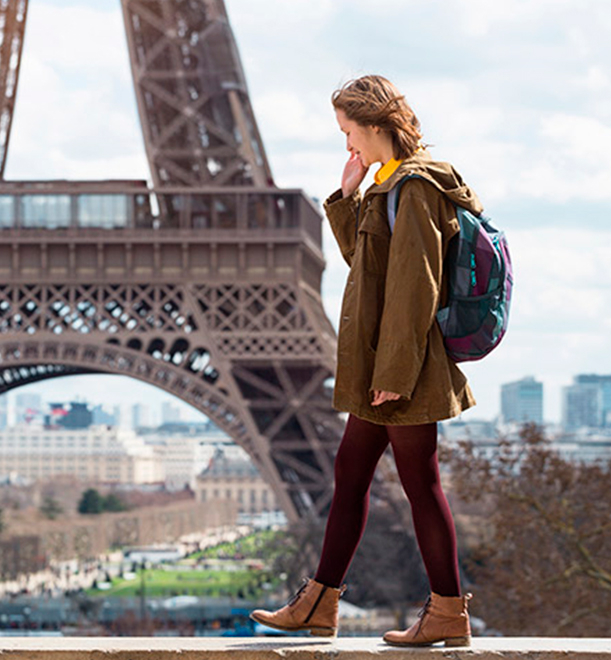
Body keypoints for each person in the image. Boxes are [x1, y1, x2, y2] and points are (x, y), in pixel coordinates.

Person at [249, 75, 480, 646]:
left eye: (349, 132)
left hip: (401, 368)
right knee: (352, 476)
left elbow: (413, 288)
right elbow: (366, 263)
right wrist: (347, 194)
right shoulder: (389, 185)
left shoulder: (418, 188)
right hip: (383, 362)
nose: (346, 143)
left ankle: (447, 611)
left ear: (375, 126)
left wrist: (394, 376)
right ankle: (320, 602)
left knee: (418, 484)